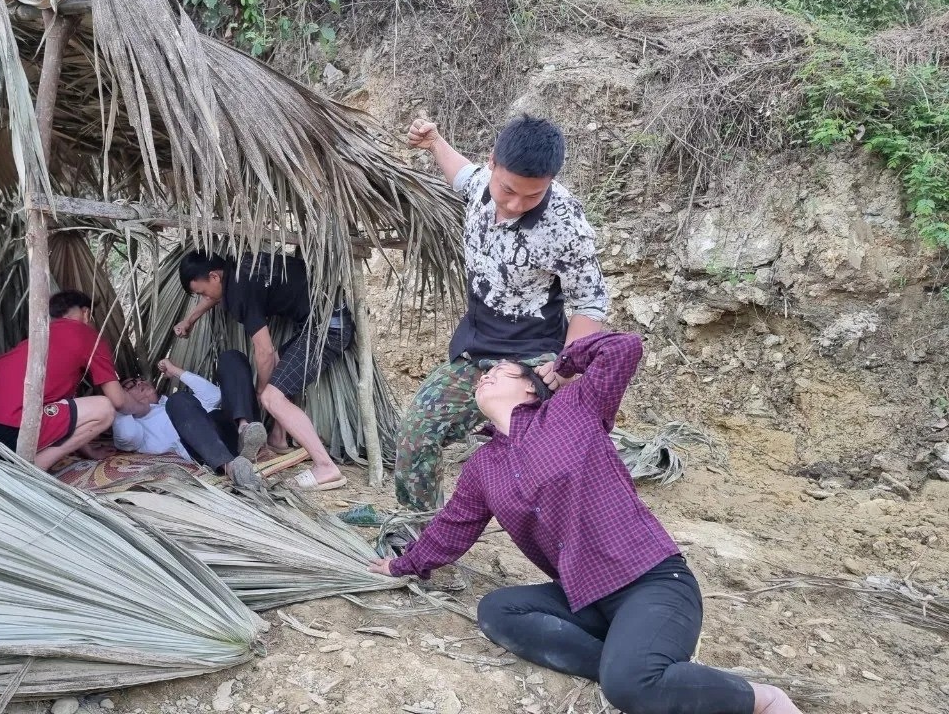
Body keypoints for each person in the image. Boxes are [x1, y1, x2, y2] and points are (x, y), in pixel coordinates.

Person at [367, 332, 801, 714]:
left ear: (534, 389)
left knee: (631, 687)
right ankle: (632, 665)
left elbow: (624, 347)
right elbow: (453, 527)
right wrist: (402, 565)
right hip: (584, 599)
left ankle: (762, 699)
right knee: (498, 610)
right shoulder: (484, 465)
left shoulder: (575, 409)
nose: (486, 374)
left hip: (651, 583)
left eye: (501, 370)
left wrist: (563, 364)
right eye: (485, 372)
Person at [395, 114, 610, 511]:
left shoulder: (567, 226)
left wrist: (566, 366)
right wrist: (435, 141)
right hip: (475, 345)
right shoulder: (481, 185)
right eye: (507, 190)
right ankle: (418, 532)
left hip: (534, 353)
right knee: (416, 433)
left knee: (526, 456)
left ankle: (560, 533)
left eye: (532, 196)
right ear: (493, 162)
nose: (514, 204)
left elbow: (590, 304)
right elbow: (461, 175)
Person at [174, 251, 350, 491]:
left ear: (214, 277)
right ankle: (279, 438)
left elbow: (264, 350)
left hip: (327, 329)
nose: (204, 297)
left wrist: (261, 392)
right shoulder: (239, 266)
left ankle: (325, 466)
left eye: (201, 292)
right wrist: (190, 320)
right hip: (326, 317)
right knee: (281, 366)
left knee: (271, 395)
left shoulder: (239, 293)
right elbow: (214, 296)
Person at [0, 290, 151, 471]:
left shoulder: (40, 335)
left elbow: (69, 412)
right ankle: (31, 469)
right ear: (86, 313)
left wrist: (89, 451)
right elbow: (118, 400)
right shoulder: (87, 335)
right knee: (104, 408)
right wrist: (145, 409)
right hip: (9, 430)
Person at [112, 355, 268, 490]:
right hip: (210, 450)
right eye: (131, 385)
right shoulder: (137, 426)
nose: (140, 383)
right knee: (177, 401)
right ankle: (231, 468)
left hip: (233, 427)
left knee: (231, 358)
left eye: (140, 380)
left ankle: (245, 429)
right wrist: (122, 404)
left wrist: (174, 370)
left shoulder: (174, 401)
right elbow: (126, 435)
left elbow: (214, 396)